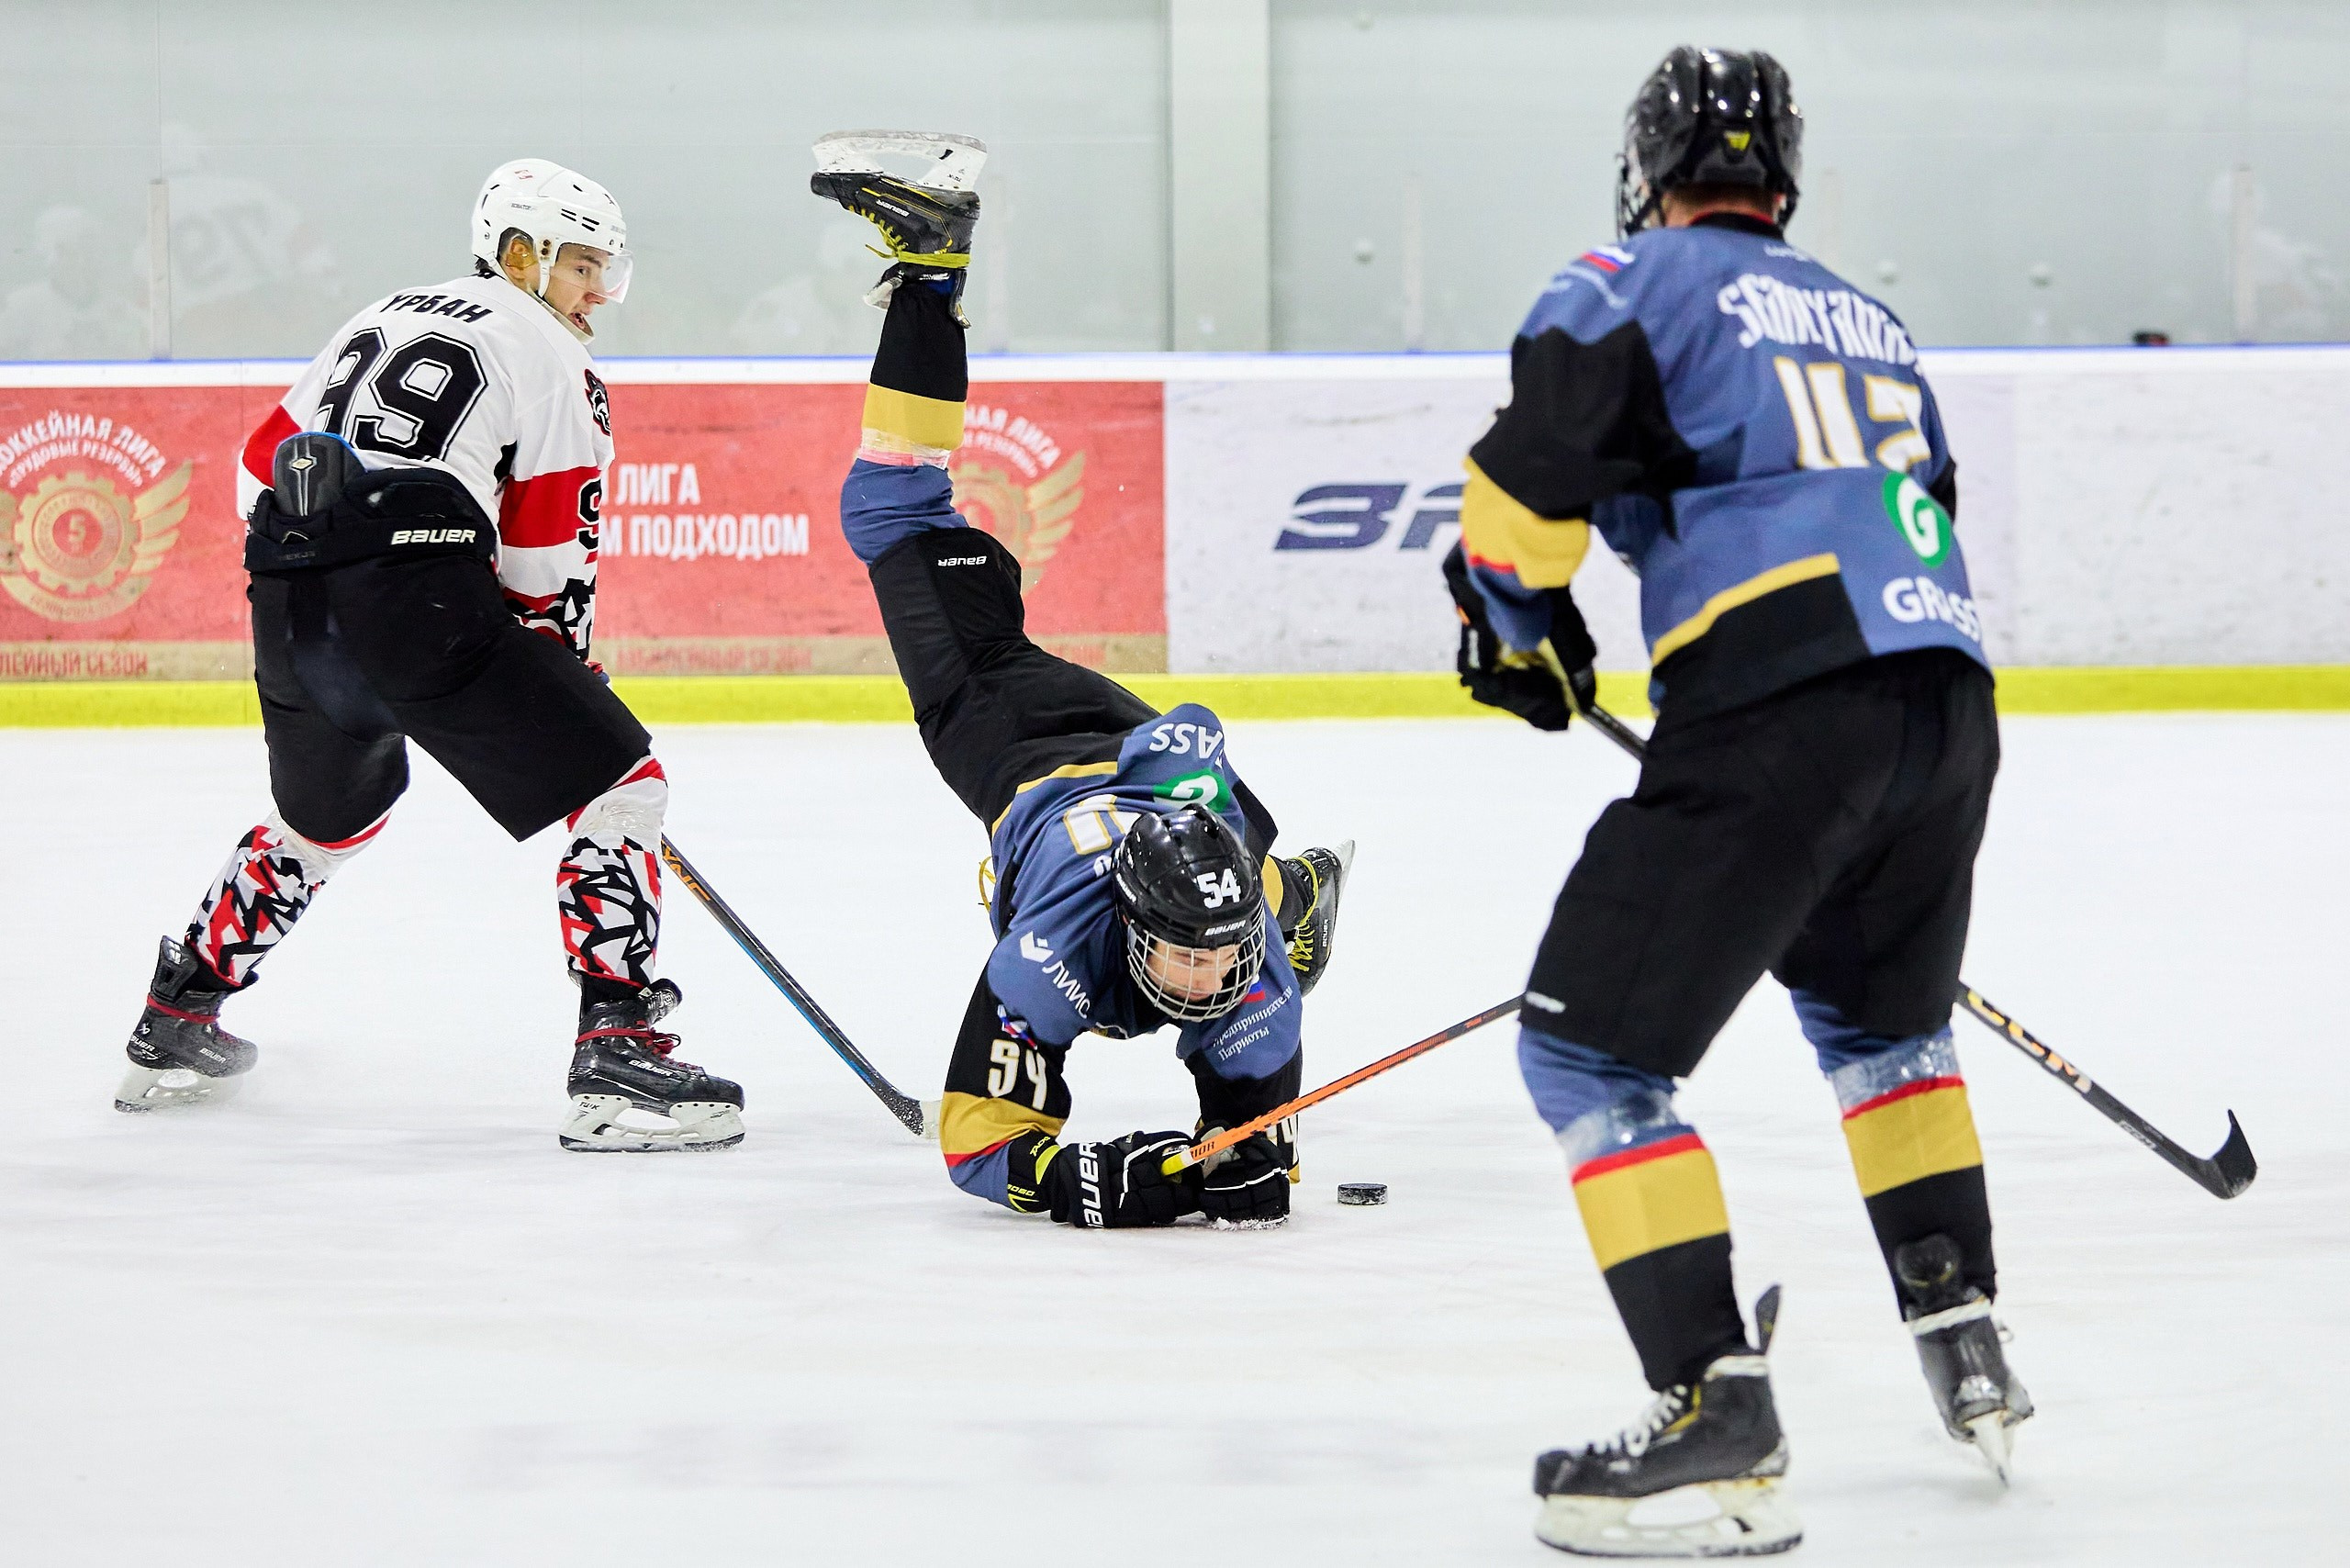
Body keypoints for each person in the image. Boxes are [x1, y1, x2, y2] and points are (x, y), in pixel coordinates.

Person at [1441, 49, 2028, 1556]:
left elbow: (1521, 502)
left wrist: (1515, 630)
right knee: (1886, 1033)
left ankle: (1715, 1417)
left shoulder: (1626, 278)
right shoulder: (1871, 317)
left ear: (1649, 167)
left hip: (1784, 702)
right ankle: (1962, 1328)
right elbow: (1920, 502)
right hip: (1946, 701)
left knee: (1588, 1056)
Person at [116, 160, 745, 1154]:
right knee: (621, 786)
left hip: (288, 591)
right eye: (582, 266)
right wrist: (562, 671)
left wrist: (335, 567)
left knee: (325, 819)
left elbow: (254, 470)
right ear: (520, 254)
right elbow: (546, 555)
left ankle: (178, 1016)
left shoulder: (383, 312)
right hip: (420, 599)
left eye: (604, 270)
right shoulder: (552, 356)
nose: (596, 292)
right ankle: (619, 1054)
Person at [811, 148, 1351, 1229]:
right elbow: (977, 1143)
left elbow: (1255, 1168)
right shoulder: (1050, 952)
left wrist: (1240, 1164)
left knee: (1216, 817)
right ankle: (931, 270)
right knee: (892, 510)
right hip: (1027, 730)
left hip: (1154, 769)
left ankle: (1286, 886)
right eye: (1190, 957)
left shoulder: (1246, 968)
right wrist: (1085, 1183)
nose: (1205, 982)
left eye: (1220, 956)